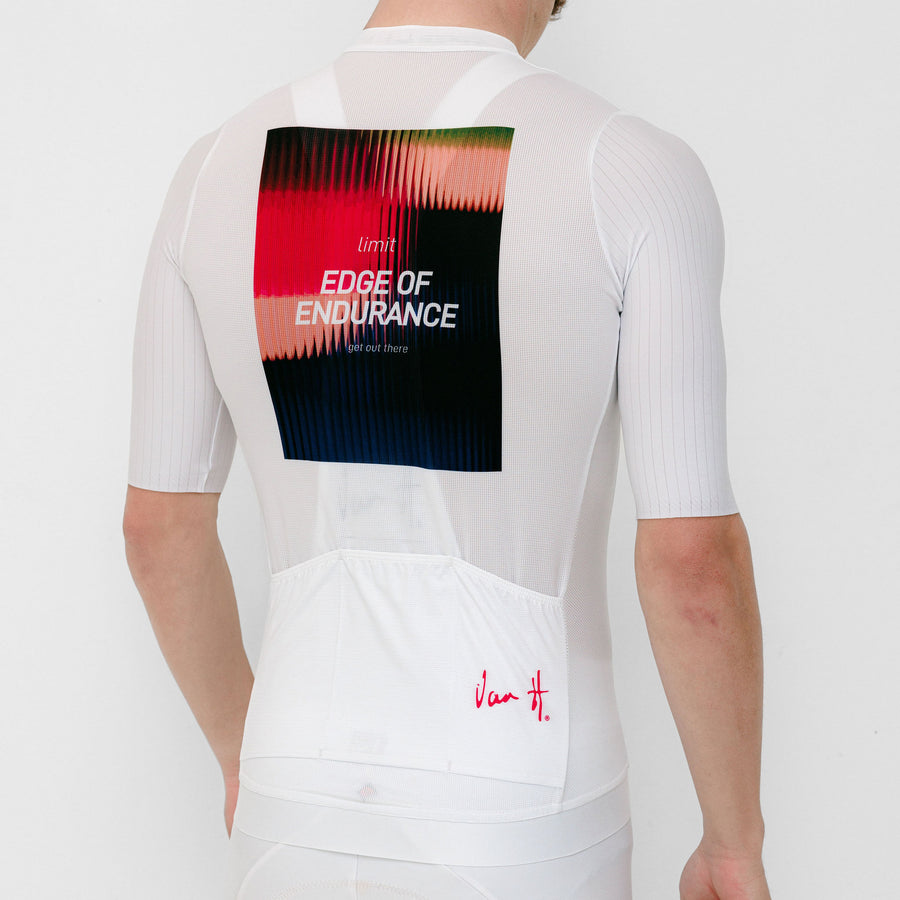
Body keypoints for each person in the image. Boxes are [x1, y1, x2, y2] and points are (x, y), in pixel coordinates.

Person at [123, 1, 771, 897]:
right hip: (524, 803)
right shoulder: (627, 167)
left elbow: (158, 530)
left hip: (291, 791)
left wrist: (247, 758)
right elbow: (692, 559)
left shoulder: (216, 166)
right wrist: (733, 841)